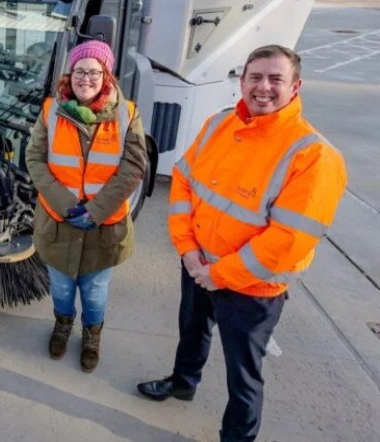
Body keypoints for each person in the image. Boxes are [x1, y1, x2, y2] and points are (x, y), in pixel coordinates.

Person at [137, 45, 348, 441]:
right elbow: (183, 181)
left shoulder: (314, 155)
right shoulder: (219, 125)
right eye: (255, 77)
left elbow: (289, 241)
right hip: (199, 265)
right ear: (242, 80)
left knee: (243, 373)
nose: (263, 87)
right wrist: (188, 251)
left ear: (296, 86)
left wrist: (220, 273)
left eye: (275, 79)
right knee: (192, 330)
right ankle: (183, 382)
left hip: (252, 287)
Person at [25, 40, 148, 372]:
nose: (86, 78)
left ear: (107, 75)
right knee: (62, 288)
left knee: (94, 292)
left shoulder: (127, 114)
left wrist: (95, 211)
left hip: (103, 227)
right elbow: (34, 158)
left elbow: (134, 167)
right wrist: (65, 205)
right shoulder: (51, 110)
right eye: (79, 70)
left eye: (95, 71)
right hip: (58, 222)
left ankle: (92, 336)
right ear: (70, 74)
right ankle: (63, 325)